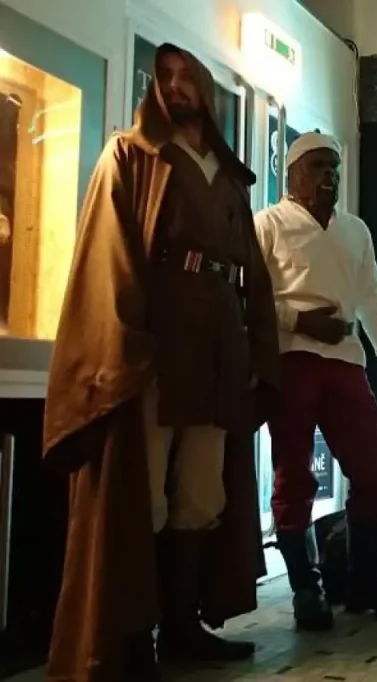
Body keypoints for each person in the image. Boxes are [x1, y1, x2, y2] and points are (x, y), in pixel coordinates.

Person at [41, 43, 280, 682]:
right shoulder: (131, 154)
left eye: (186, 77)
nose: (175, 87)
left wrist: (257, 348)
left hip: (218, 351)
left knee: (202, 492)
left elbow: (251, 272)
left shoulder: (228, 176)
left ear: (205, 89)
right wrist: (127, 346)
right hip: (158, 351)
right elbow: (110, 255)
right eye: (165, 77)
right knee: (140, 492)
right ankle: (133, 639)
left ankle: (181, 626)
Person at [254, 132, 377, 625]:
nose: (330, 175)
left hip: (346, 361)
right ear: (292, 174)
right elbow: (250, 297)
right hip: (292, 358)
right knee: (294, 473)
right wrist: (300, 321)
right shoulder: (268, 224)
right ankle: (306, 588)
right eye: (318, 166)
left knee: (372, 471)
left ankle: (365, 584)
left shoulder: (355, 229)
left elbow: (369, 296)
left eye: (335, 168)